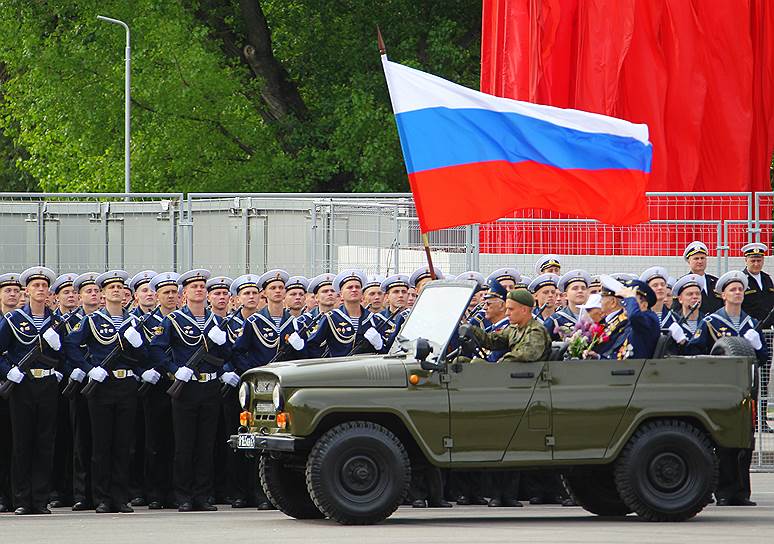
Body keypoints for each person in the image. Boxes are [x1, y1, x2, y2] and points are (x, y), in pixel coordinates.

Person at [63, 270, 149, 514]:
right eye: (111, 288)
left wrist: (138, 343)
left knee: (124, 445)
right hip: (101, 386)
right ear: (102, 293)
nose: (116, 291)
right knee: (101, 445)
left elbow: (143, 356)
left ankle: (120, 498)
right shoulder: (92, 320)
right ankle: (102, 497)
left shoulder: (132, 321)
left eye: (120, 287)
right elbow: (71, 344)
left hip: (126, 386)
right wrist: (89, 369)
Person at [148, 269, 231, 512]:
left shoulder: (217, 321)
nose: (199, 290)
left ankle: (203, 495)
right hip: (186, 387)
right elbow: (156, 349)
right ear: (185, 293)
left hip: (211, 386)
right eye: (194, 286)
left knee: (206, 445)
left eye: (202, 287)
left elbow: (227, 355)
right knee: (185, 445)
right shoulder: (173, 320)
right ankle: (182, 495)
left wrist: (223, 341)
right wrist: (174, 369)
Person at [685, 270, 767, 505]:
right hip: (720, 389)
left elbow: (763, 357)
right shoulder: (711, 322)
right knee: (723, 441)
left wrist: (758, 345)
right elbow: (696, 351)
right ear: (723, 295)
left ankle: (741, 492)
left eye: (740, 289)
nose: (738, 293)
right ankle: (723, 491)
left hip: (747, 389)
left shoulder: (751, 323)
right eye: (733, 289)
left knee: (745, 442)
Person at [0, 266, 62, 515]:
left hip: (47, 384)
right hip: (22, 385)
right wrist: (8, 371)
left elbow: (66, 354)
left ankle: (40, 498)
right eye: (35, 286)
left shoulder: (56, 321)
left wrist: (59, 364)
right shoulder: (13, 320)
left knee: (45, 442)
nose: (40, 290)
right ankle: (22, 498)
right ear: (28, 291)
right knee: (22, 442)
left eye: (44, 286)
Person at [137, 272, 180, 510]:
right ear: (157, 296)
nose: (171, 296)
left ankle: (175, 490)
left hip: (182, 385)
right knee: (154, 441)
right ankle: (154, 492)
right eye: (166, 293)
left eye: (174, 292)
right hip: (156, 385)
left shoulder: (184, 320)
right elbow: (142, 352)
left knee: (177, 441)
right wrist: (145, 370)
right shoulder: (147, 323)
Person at [291, 270, 387, 358]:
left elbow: (387, 353)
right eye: (350, 287)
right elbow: (313, 346)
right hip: (338, 371)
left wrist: (379, 346)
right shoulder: (331, 318)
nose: (354, 290)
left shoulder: (374, 320)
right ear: (341, 294)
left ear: (362, 294)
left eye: (357, 287)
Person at [67, 272, 100, 512]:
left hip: (102, 385)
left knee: (100, 439)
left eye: (96, 291)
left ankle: (99, 491)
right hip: (79, 384)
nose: (94, 294)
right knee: (81, 439)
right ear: (80, 297)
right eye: (88, 291)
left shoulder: (105, 321)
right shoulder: (75, 322)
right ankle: (81, 492)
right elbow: (63, 350)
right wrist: (74, 370)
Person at [47, 272, 80, 509]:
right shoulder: (51, 321)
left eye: (73, 292)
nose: (70, 296)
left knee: (77, 438)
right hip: (56, 383)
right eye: (65, 292)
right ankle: (57, 488)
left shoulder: (85, 320)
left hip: (80, 383)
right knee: (57, 437)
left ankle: (75, 488)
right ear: (56, 297)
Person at [543, 270, 591, 340]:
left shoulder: (595, 317)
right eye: (575, 288)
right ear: (565, 295)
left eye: (583, 288)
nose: (580, 291)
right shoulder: (555, 320)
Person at [684, 241, 723, 314]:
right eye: (696, 258)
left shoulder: (716, 282)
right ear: (689, 261)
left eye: (702, 258)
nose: (700, 261)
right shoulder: (683, 283)